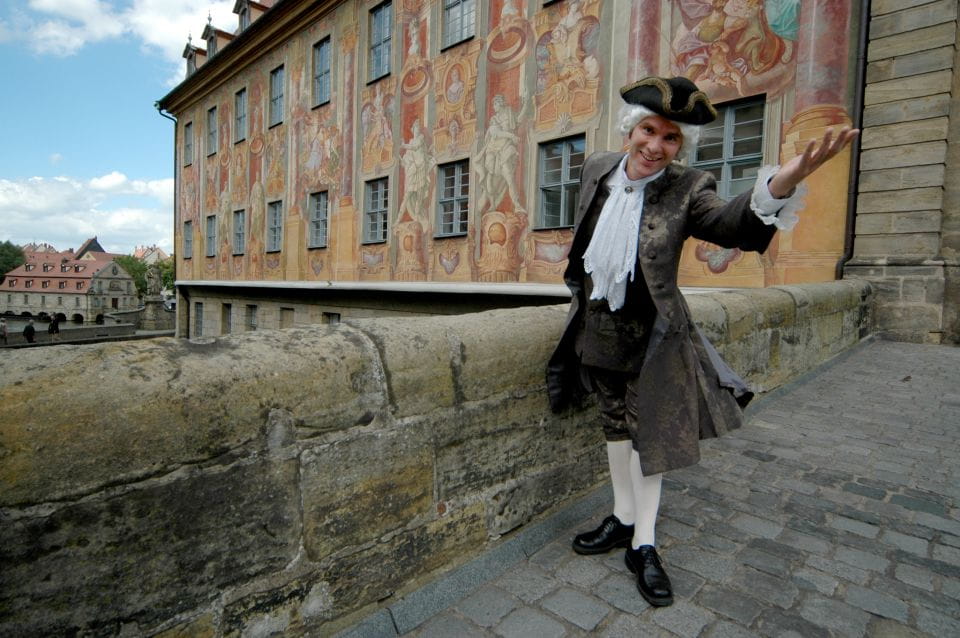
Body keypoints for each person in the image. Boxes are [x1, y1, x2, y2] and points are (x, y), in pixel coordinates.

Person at [546, 76, 857, 607]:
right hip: (597, 326)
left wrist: (782, 182)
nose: (655, 146)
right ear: (631, 129)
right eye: (648, 131)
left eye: (670, 139)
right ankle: (621, 519)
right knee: (614, 425)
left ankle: (644, 543)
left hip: (654, 338)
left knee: (653, 437)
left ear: (680, 146)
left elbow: (729, 223)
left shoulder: (688, 187)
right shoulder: (597, 167)